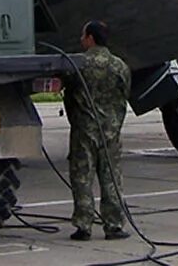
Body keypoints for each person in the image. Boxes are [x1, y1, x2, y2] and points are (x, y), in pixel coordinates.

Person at [62, 20, 131, 242]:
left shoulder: (79, 65)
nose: (81, 39)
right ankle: (114, 225)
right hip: (110, 129)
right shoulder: (119, 66)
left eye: (83, 35)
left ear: (90, 38)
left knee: (82, 176)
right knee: (111, 177)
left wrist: (77, 120)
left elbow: (69, 96)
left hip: (84, 129)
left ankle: (84, 225)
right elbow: (124, 95)